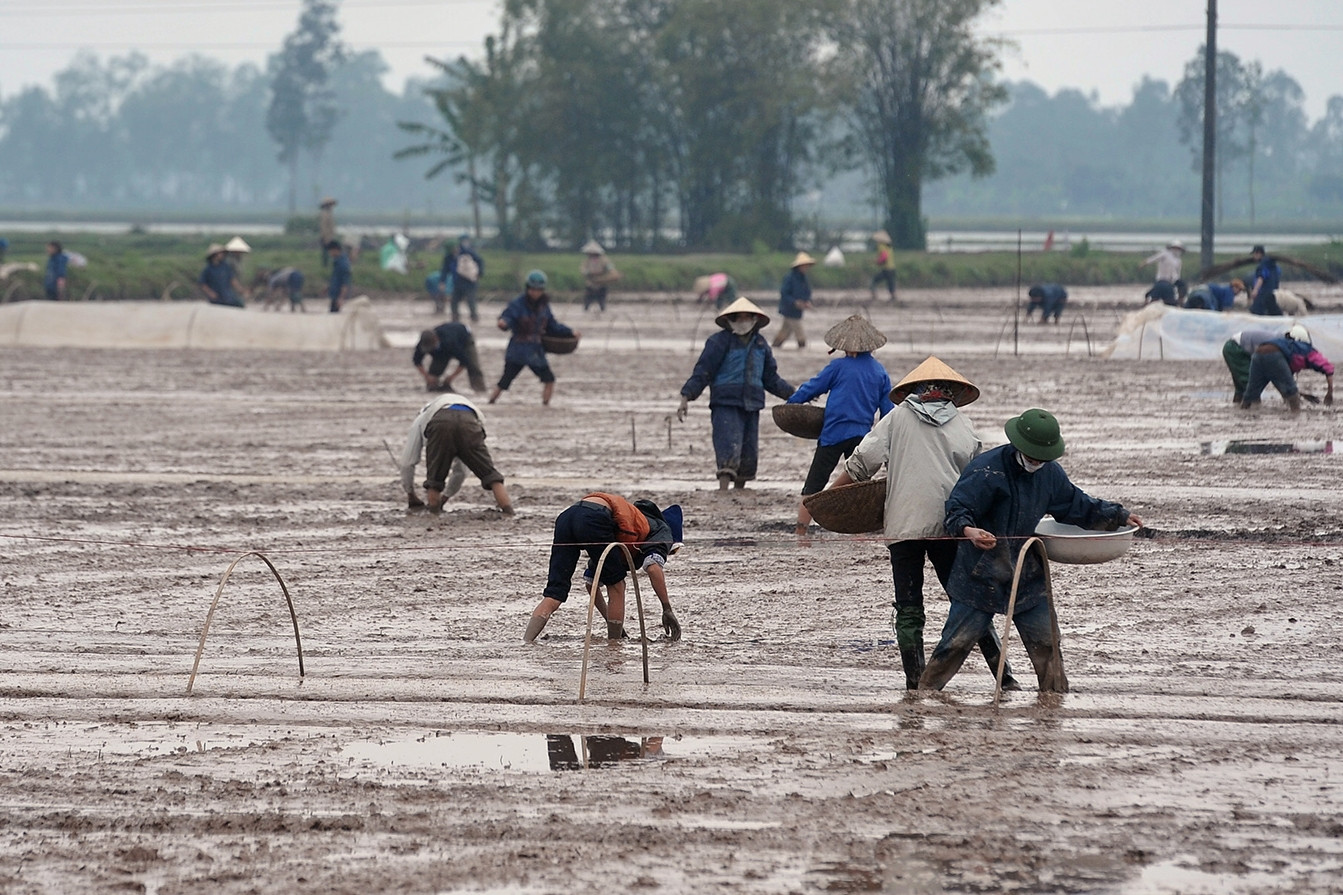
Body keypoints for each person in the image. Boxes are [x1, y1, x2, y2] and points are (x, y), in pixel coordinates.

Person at [825, 357, 1019, 691]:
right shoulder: (964, 425)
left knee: (909, 605)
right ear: (951, 392)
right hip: (952, 527)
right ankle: (1004, 676)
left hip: (905, 525)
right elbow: (977, 480)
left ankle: (915, 681)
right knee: (966, 601)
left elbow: (862, 464)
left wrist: (828, 497)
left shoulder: (896, 418)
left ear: (915, 390)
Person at [920, 408, 1143, 693]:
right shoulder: (986, 470)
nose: (1037, 461)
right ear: (1018, 445)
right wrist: (969, 531)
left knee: (1047, 644)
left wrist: (1118, 515)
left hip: (1026, 572)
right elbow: (956, 508)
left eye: (1043, 457)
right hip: (980, 573)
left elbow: (1077, 505)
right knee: (955, 644)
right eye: (1032, 456)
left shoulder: (1049, 474)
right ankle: (923, 697)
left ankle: (1053, 700)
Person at [525, 493, 683, 643]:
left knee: (555, 593)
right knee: (617, 585)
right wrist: (666, 608)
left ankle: (526, 643)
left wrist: (614, 624)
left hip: (567, 517)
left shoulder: (622, 528)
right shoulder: (663, 531)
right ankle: (614, 647)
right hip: (594, 517)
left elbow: (591, 585)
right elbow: (653, 568)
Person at [787, 315, 894, 537]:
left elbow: (813, 388)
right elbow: (887, 413)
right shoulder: (879, 372)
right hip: (862, 438)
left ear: (845, 347)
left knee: (814, 484)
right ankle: (860, 533)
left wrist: (792, 403)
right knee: (859, 486)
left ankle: (800, 531)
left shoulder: (837, 367)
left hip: (832, 434)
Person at [678, 297, 795, 490]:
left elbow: (771, 379)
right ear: (730, 320)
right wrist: (686, 397)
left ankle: (739, 490)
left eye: (746, 318)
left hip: (752, 403)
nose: (743, 322)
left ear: (754, 319)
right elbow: (703, 372)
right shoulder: (718, 342)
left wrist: (795, 395)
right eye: (738, 318)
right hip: (725, 403)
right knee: (728, 445)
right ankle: (723, 490)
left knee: (749, 453)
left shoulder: (761, 344)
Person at [398, 392, 513, 516]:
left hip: (440, 423)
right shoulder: (456, 404)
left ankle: (433, 514)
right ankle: (509, 513)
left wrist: (410, 494)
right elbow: (461, 471)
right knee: (491, 475)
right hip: (470, 420)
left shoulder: (421, 419)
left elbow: (407, 462)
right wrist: (446, 497)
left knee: (435, 479)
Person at [488, 270, 578, 406]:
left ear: (542, 290)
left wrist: (570, 332)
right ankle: (491, 401)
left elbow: (552, 325)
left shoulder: (544, 306)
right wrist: (503, 323)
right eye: (532, 289)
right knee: (504, 381)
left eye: (538, 290)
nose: (535, 292)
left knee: (549, 379)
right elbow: (507, 318)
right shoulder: (517, 304)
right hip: (518, 349)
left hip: (535, 350)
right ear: (527, 288)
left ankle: (545, 405)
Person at [1241, 324, 1335, 413]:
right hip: (1274, 355)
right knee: (1292, 393)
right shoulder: (1307, 349)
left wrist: (1300, 394)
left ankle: (1242, 412)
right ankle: (1296, 416)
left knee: (1250, 393)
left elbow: (1281, 379)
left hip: (1257, 354)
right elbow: (1328, 368)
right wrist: (1329, 392)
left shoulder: (1283, 344)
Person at [414, 322, 486, 393]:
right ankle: (433, 386)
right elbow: (417, 361)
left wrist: (451, 377)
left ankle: (479, 389)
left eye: (431, 347)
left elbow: (464, 361)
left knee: (473, 365)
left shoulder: (450, 342)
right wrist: (427, 376)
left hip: (464, 338)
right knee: (434, 371)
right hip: (442, 349)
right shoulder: (422, 343)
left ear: (436, 339)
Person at [773, 251, 815, 349]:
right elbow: (784, 293)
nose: (806, 268)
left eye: (807, 266)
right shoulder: (789, 278)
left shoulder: (804, 278)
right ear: (799, 266)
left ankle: (774, 348)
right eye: (804, 266)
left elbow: (807, 292)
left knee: (784, 333)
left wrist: (807, 301)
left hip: (797, 311)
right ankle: (802, 350)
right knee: (800, 335)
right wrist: (795, 302)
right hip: (789, 309)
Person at [441, 234, 484, 323]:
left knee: (470, 300)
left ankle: (474, 317)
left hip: (470, 282)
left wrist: (480, 273)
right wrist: (442, 281)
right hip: (457, 282)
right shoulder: (448, 257)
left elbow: (480, 261)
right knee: (454, 301)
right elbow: (445, 270)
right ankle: (455, 318)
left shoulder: (468, 253)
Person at [581, 240, 618, 312]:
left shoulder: (604, 260)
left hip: (602, 285)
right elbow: (583, 271)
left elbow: (611, 268)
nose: (591, 255)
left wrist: (614, 274)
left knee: (602, 303)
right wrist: (590, 273)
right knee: (586, 304)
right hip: (591, 285)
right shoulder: (587, 261)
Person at [1248, 245, 1283, 316]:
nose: (1254, 257)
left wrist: (1255, 290)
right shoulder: (1274, 265)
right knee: (1274, 312)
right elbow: (1279, 274)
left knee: (1256, 311)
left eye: (1254, 254)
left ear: (1259, 254)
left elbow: (1261, 278)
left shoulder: (1262, 265)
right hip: (1274, 292)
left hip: (1263, 293)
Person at [869, 230, 897, 303]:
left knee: (874, 280)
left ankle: (874, 295)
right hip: (892, 268)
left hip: (886, 269)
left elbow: (884, 256)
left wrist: (878, 261)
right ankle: (893, 297)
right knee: (891, 283)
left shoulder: (881, 246)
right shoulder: (889, 247)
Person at [326, 240, 352, 313]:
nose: (330, 254)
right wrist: (328, 287)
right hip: (335, 295)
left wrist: (341, 298)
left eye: (330, 251)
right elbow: (335, 278)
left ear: (335, 250)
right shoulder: (337, 262)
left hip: (338, 296)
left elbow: (345, 282)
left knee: (334, 315)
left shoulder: (343, 264)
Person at [318, 198, 337, 266]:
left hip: (330, 236)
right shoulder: (325, 213)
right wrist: (326, 237)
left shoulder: (329, 213)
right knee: (326, 252)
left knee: (329, 251)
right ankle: (325, 265)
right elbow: (324, 227)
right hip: (326, 236)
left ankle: (327, 265)